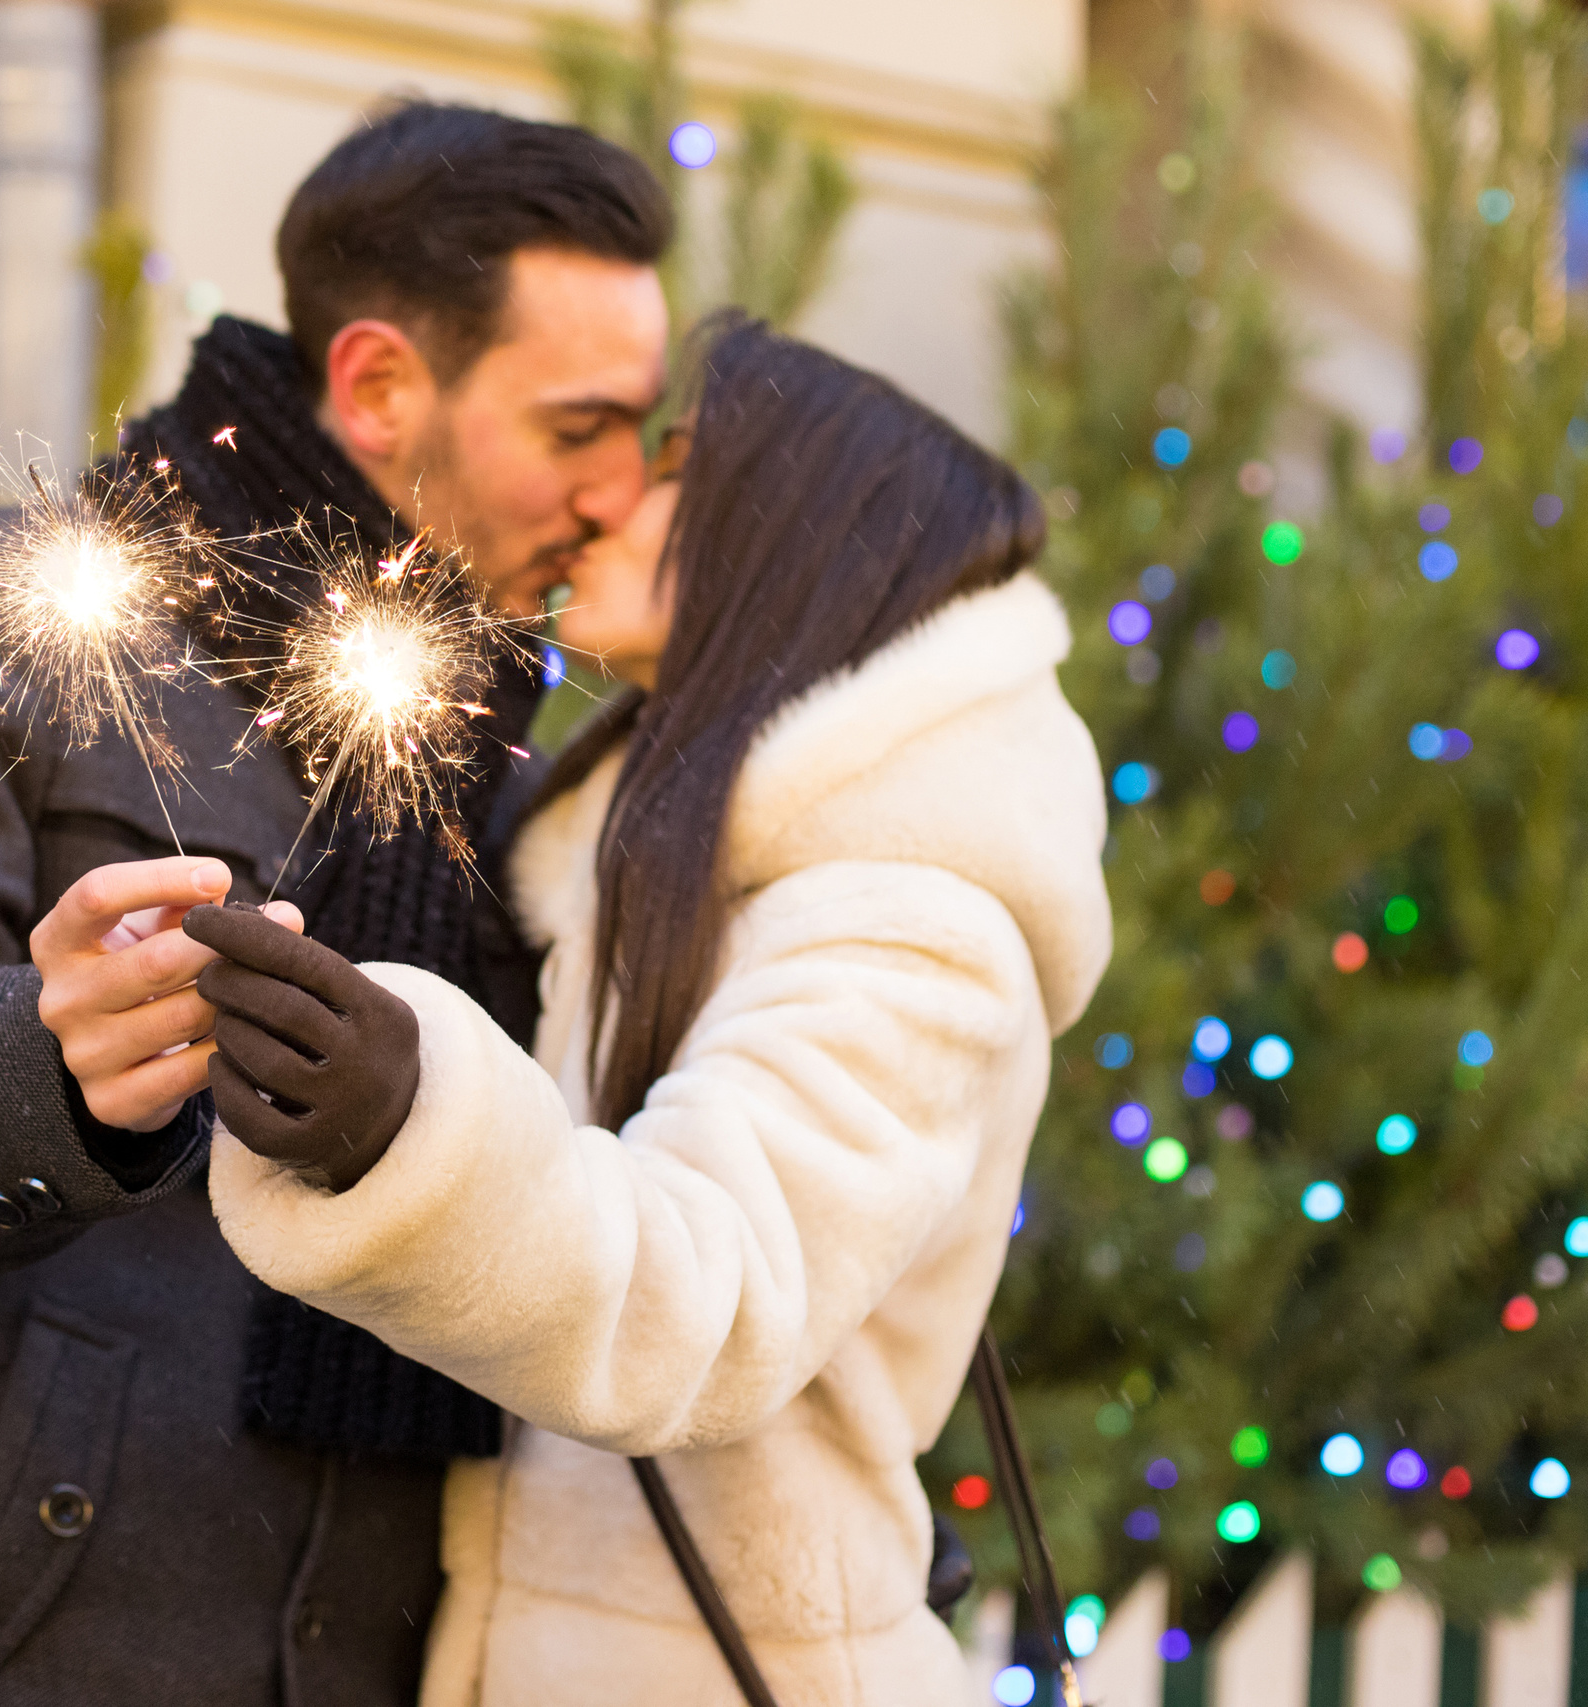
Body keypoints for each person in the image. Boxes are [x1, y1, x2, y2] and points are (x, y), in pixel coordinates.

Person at [0, 104, 671, 1704]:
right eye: (578, 429)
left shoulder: (516, 769)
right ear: (376, 385)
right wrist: (49, 1069)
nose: (621, 491)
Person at [187, 315, 1114, 1706]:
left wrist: (405, 1121)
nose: (611, 494)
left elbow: (708, 1299)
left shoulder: (911, 917)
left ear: (794, 538)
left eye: (674, 462)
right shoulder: (669, 858)